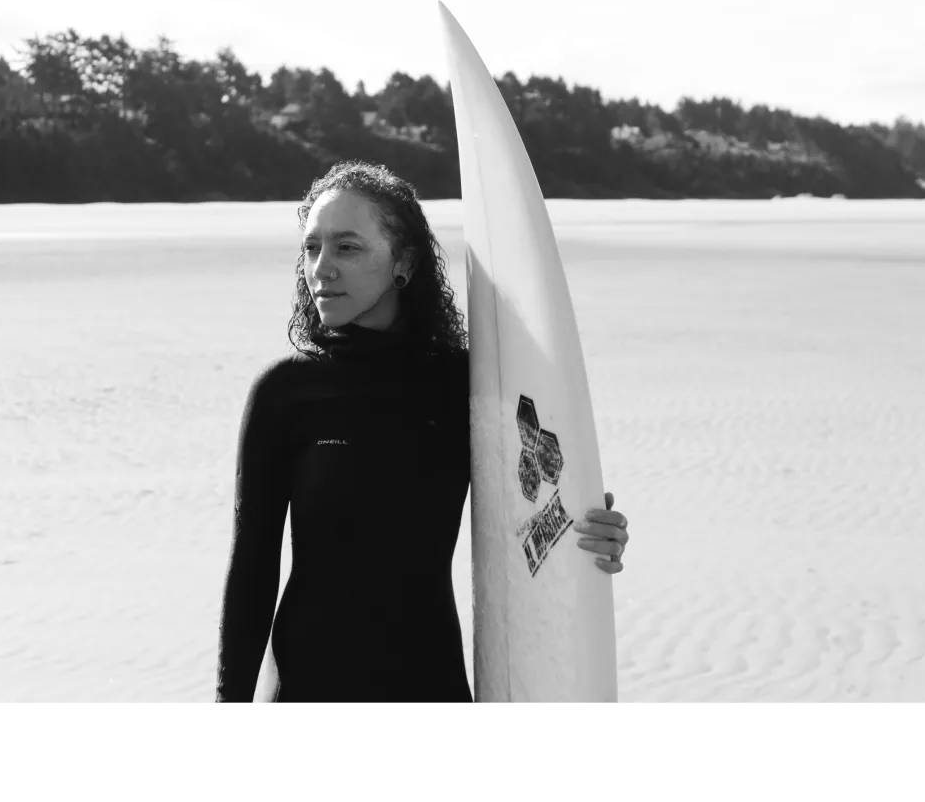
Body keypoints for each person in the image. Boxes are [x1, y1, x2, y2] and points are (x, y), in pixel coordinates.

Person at [214, 161, 629, 708]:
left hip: (430, 690)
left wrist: (593, 530)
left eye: (347, 248)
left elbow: (538, 505)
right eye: (311, 248)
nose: (321, 269)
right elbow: (253, 566)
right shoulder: (285, 392)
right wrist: (228, 706)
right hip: (309, 694)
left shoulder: (467, 385)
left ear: (403, 263)